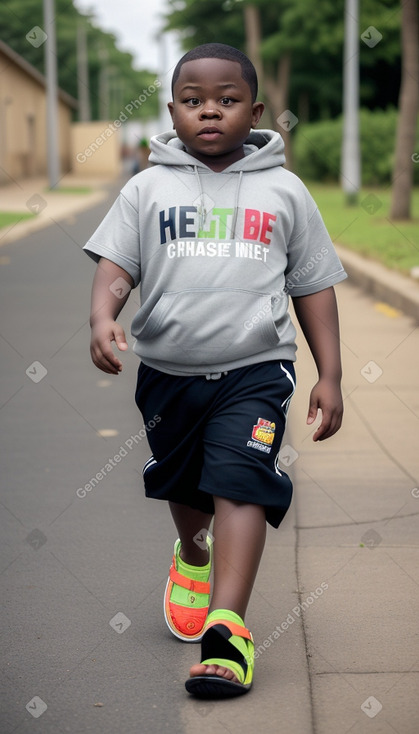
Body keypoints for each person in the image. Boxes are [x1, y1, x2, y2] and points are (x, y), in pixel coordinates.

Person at [84, 42, 347, 699]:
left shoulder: (284, 190)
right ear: (170, 110)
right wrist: (102, 317)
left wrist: (330, 373)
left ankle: (227, 632)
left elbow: (313, 286)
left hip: (255, 370)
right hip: (168, 373)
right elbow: (117, 267)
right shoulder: (146, 188)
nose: (209, 112)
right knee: (188, 487)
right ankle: (194, 556)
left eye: (226, 101)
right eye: (193, 101)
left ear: (254, 110)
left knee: (239, 478)